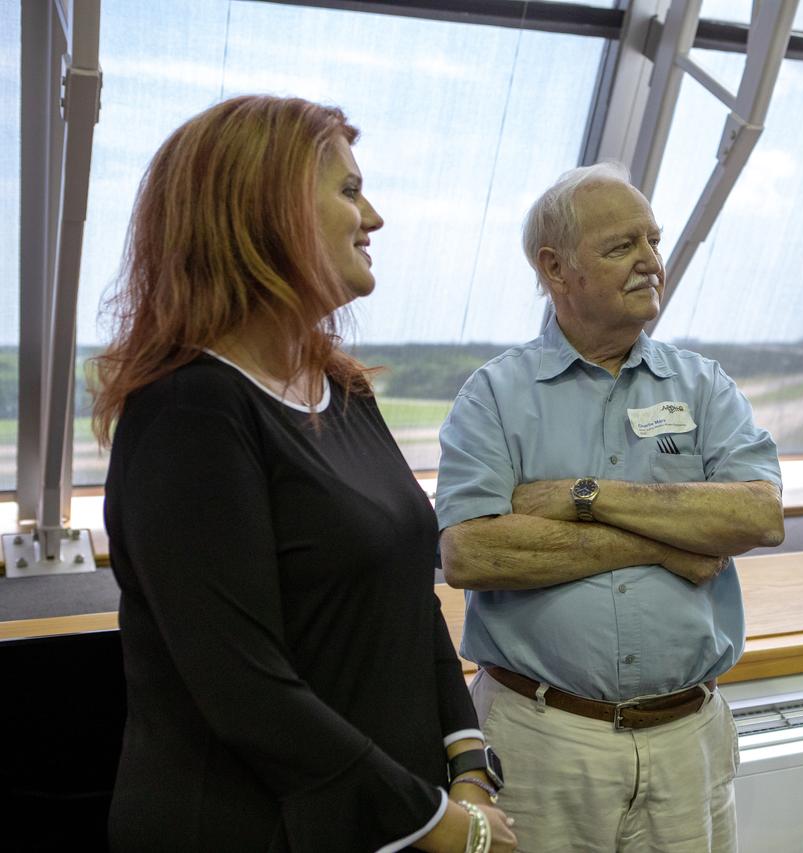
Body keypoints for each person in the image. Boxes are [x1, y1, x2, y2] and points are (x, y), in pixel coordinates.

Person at [92, 95, 516, 853]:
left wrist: (467, 762)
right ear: (265, 210)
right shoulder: (190, 412)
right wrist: (433, 821)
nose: (375, 217)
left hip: (391, 812)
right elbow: (246, 690)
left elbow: (405, 598)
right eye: (349, 191)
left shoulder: (342, 390)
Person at [433, 161, 784, 852]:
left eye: (653, 241)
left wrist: (583, 496)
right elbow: (471, 553)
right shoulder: (495, 396)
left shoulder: (702, 384)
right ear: (556, 269)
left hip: (688, 739)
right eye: (623, 246)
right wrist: (664, 541)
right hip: (542, 740)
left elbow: (757, 517)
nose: (651, 262)